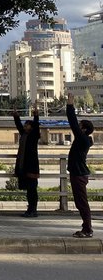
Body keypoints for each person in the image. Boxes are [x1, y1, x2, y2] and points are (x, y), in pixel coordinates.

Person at [66, 93, 95, 238]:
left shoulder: (82, 139)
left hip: (79, 174)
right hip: (77, 173)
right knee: (80, 202)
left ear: (83, 129)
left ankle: (88, 229)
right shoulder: (83, 139)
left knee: (82, 203)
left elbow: (72, 121)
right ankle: (86, 227)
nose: (77, 127)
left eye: (79, 126)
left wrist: (70, 105)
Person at [13, 101, 40, 218]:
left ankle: (33, 209)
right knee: (29, 190)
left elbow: (37, 124)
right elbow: (18, 125)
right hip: (24, 166)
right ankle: (30, 209)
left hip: (31, 166)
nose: (25, 126)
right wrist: (16, 115)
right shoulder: (24, 134)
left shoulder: (34, 136)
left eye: (27, 124)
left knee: (32, 189)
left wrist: (36, 114)